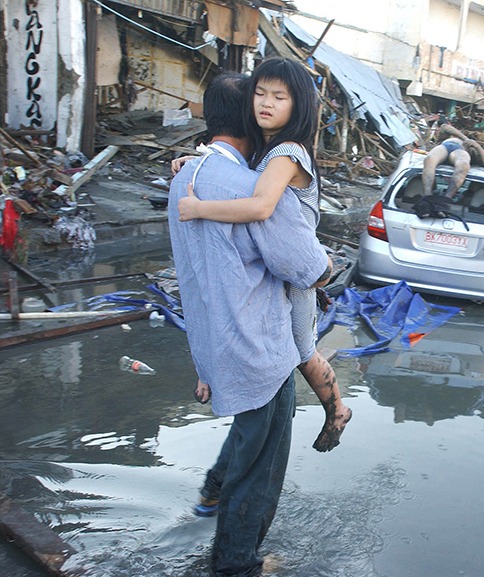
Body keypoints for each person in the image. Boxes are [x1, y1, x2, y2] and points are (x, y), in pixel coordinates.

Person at [168, 71, 333, 577]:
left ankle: (213, 502)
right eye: (260, 97)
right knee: (259, 470)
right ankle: (237, 564)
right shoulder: (253, 189)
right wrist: (324, 268)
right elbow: (307, 268)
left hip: (214, 345)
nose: (267, 106)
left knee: (246, 444)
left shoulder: (183, 177)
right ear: (250, 116)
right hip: (262, 351)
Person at [176, 58, 352, 456]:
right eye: (259, 94)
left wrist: (198, 207)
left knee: (302, 351)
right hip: (281, 269)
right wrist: (197, 162)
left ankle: (338, 408)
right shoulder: (267, 152)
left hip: (298, 272)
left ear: (298, 106)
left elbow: (259, 206)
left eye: (279, 96)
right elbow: (238, 174)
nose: (266, 103)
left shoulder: (286, 152)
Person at [422, 123, 484, 198]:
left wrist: (477, 146)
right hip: (444, 148)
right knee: (429, 159)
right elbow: (444, 127)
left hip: (458, 153)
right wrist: (465, 138)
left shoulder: (474, 152)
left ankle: (446, 198)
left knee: (463, 164)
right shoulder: (449, 138)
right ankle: (427, 195)